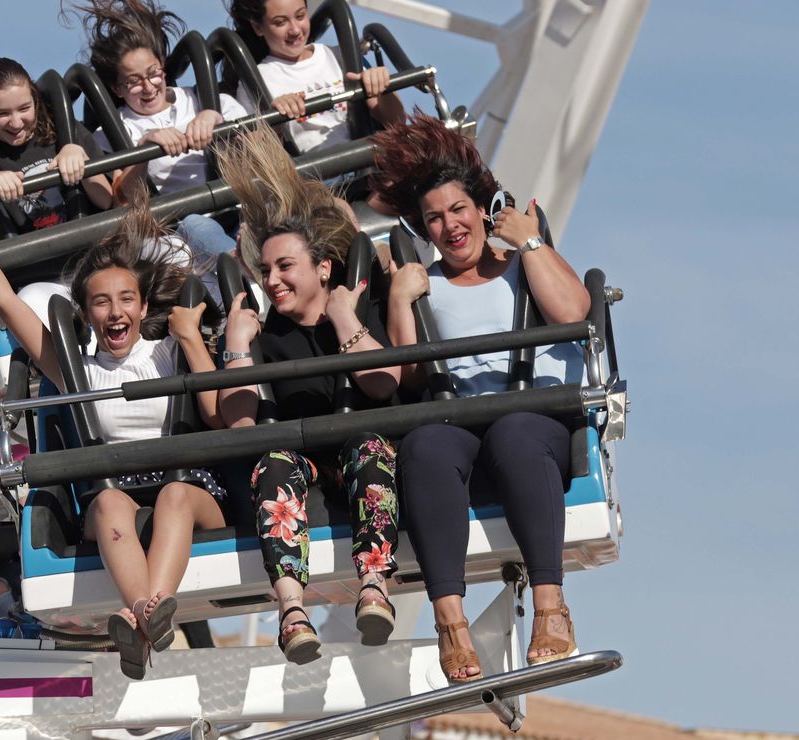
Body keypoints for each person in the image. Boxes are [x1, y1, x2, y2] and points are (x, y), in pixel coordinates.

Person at [0, 151, 226, 679]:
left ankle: (142, 614)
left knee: (171, 496)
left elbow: (220, 408)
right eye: (101, 303)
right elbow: (8, 302)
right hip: (116, 491)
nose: (116, 312)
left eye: (127, 299)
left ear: (144, 308)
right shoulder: (73, 367)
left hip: (187, 487)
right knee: (105, 506)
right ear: (84, 315)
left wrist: (195, 336)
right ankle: (148, 612)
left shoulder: (167, 349)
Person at [372, 115, 591, 683]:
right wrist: (400, 299)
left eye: (458, 211)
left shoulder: (523, 263)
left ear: (482, 209)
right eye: (434, 219)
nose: (449, 226)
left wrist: (531, 240)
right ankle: (451, 624)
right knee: (423, 446)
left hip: (531, 416)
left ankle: (551, 607)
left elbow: (572, 311)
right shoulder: (428, 285)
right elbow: (408, 375)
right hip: (461, 419)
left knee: (516, 433)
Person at [214, 129, 403, 664]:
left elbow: (384, 382)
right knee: (273, 464)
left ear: (322, 267)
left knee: (369, 451)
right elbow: (241, 421)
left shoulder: (358, 308)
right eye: (266, 270)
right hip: (302, 456)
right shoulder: (265, 336)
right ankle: (292, 610)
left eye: (285, 267)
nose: (273, 280)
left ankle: (374, 586)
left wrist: (343, 318)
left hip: (358, 446)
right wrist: (235, 345)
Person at [73, 0, 247, 299]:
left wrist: (216, 121)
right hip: (173, 228)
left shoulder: (203, 100)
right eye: (134, 81)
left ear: (163, 69)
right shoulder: (111, 135)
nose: (149, 86)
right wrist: (144, 149)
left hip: (235, 207)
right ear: (117, 89)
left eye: (153, 73)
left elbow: (259, 149)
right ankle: (244, 267)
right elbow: (121, 200)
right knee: (196, 225)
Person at [0, 57, 113, 243]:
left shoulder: (64, 129)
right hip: (30, 263)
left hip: (90, 248)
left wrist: (80, 157)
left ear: (35, 102)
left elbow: (106, 201)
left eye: (24, 108)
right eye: (2, 114)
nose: (16, 123)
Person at [226, 0, 403, 155]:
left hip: (371, 160)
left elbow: (396, 121)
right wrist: (276, 122)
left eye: (300, 16)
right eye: (280, 23)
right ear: (258, 27)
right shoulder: (257, 80)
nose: (295, 30)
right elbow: (257, 157)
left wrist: (381, 87)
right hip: (319, 179)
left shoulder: (340, 55)